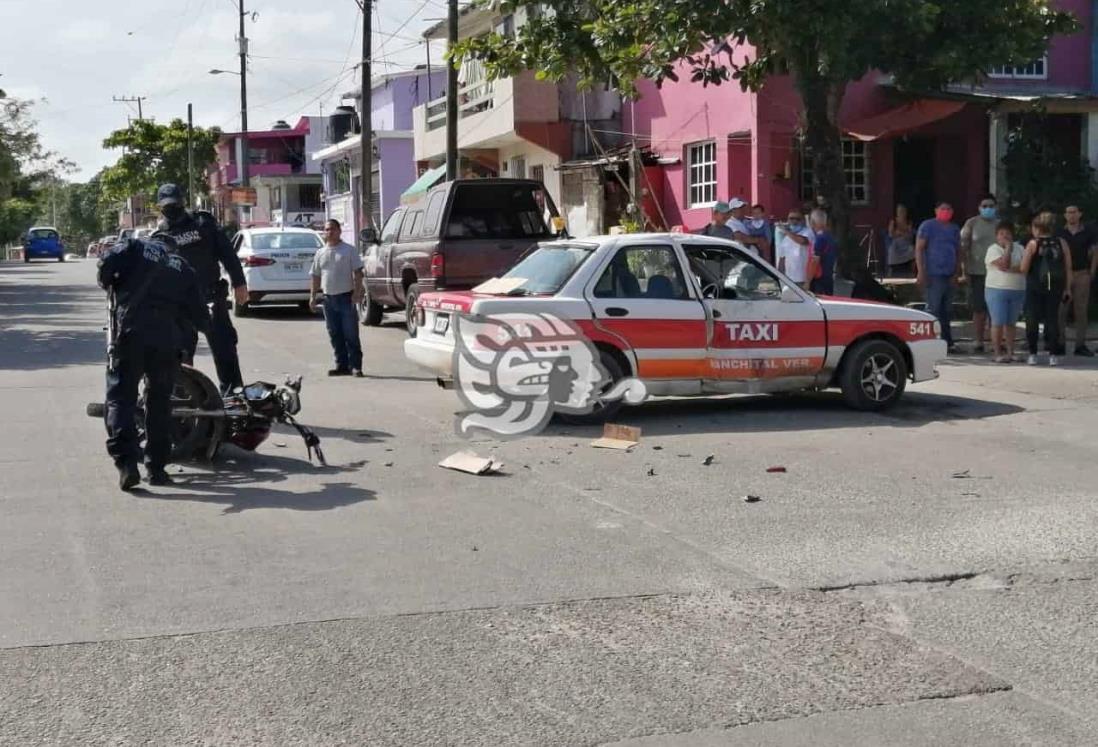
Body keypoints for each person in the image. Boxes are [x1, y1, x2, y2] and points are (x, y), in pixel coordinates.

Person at [97, 234, 209, 490]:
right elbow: (201, 318)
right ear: (173, 247)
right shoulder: (182, 266)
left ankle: (126, 463)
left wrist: (110, 283)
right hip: (166, 340)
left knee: (120, 399)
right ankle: (156, 468)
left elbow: (106, 264)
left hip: (130, 333)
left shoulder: (134, 247)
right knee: (158, 403)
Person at [154, 183, 248, 394]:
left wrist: (239, 282)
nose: (172, 208)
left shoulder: (203, 223)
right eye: (167, 205)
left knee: (224, 349)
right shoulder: (159, 236)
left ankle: (233, 395)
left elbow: (227, 253)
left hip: (210, 296)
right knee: (180, 353)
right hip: (179, 305)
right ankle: (184, 400)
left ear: (183, 202)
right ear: (160, 206)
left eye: (175, 203)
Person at [309, 219, 365, 377]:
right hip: (328, 299)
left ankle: (356, 366)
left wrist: (357, 292)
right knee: (335, 333)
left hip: (346, 297)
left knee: (351, 334)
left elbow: (358, 273)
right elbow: (315, 275)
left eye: (332, 229)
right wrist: (312, 296)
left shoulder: (349, 250)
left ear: (339, 231)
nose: (329, 232)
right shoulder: (320, 253)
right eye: (326, 230)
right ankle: (341, 365)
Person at [1020, 212, 1073, 367]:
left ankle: (1033, 353)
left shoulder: (1033, 244)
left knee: (1032, 319)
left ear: (1037, 227)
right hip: (1055, 284)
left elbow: (1024, 268)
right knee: (1052, 319)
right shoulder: (1061, 242)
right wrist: (1068, 288)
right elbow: (1068, 267)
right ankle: (1053, 354)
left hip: (1036, 285)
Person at [915, 201, 961, 353]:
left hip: (949, 273)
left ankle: (947, 341)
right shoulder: (927, 226)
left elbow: (958, 250)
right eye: (943, 209)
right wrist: (921, 271)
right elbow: (919, 248)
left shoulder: (954, 229)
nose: (946, 211)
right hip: (933, 273)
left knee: (947, 310)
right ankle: (929, 341)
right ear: (936, 210)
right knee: (933, 308)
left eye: (949, 209)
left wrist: (957, 271)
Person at [1057, 204, 1098, 356]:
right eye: (1068, 212)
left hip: (1082, 274)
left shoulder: (1089, 232)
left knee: (1081, 310)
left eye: (1074, 212)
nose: (1071, 215)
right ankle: (1060, 343)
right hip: (1064, 275)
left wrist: (1092, 272)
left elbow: (1095, 251)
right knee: (1061, 310)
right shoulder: (1060, 232)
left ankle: (1080, 345)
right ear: (1065, 215)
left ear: (1080, 214)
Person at [960, 194, 999, 353]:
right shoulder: (971, 223)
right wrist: (964, 270)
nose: (987, 208)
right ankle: (979, 340)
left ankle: (995, 341)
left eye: (991, 206)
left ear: (995, 207)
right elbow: (963, 247)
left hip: (997, 272)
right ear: (979, 207)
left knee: (995, 309)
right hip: (976, 272)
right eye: (984, 206)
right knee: (978, 308)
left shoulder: (1001, 224)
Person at [984, 221, 1026, 364]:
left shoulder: (1020, 248)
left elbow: (1024, 267)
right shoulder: (993, 249)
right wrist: (1008, 248)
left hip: (1017, 289)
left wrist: (1013, 267)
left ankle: (1011, 352)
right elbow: (1004, 265)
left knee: (1011, 323)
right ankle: (997, 353)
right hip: (996, 288)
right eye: (1001, 234)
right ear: (997, 236)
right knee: (997, 322)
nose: (1005, 236)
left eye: (1007, 233)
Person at [776, 209, 814, 291]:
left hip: (803, 279)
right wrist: (779, 277)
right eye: (791, 218)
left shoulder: (807, 232)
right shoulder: (786, 238)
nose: (794, 221)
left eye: (797, 219)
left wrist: (786, 231)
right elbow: (782, 259)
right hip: (788, 279)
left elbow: (802, 241)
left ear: (803, 220)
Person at [808, 208, 838, 295]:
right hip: (829, 276)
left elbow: (815, 261)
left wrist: (808, 281)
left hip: (819, 279)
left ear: (812, 222)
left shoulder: (819, 239)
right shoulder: (831, 237)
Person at [887, 204, 916, 277]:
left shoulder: (909, 222)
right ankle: (891, 269)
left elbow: (910, 234)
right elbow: (891, 234)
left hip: (906, 242)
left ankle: (913, 271)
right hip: (896, 243)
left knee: (912, 249)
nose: (901, 213)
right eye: (899, 211)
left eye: (903, 211)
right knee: (892, 250)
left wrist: (899, 233)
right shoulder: (893, 222)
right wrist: (901, 233)